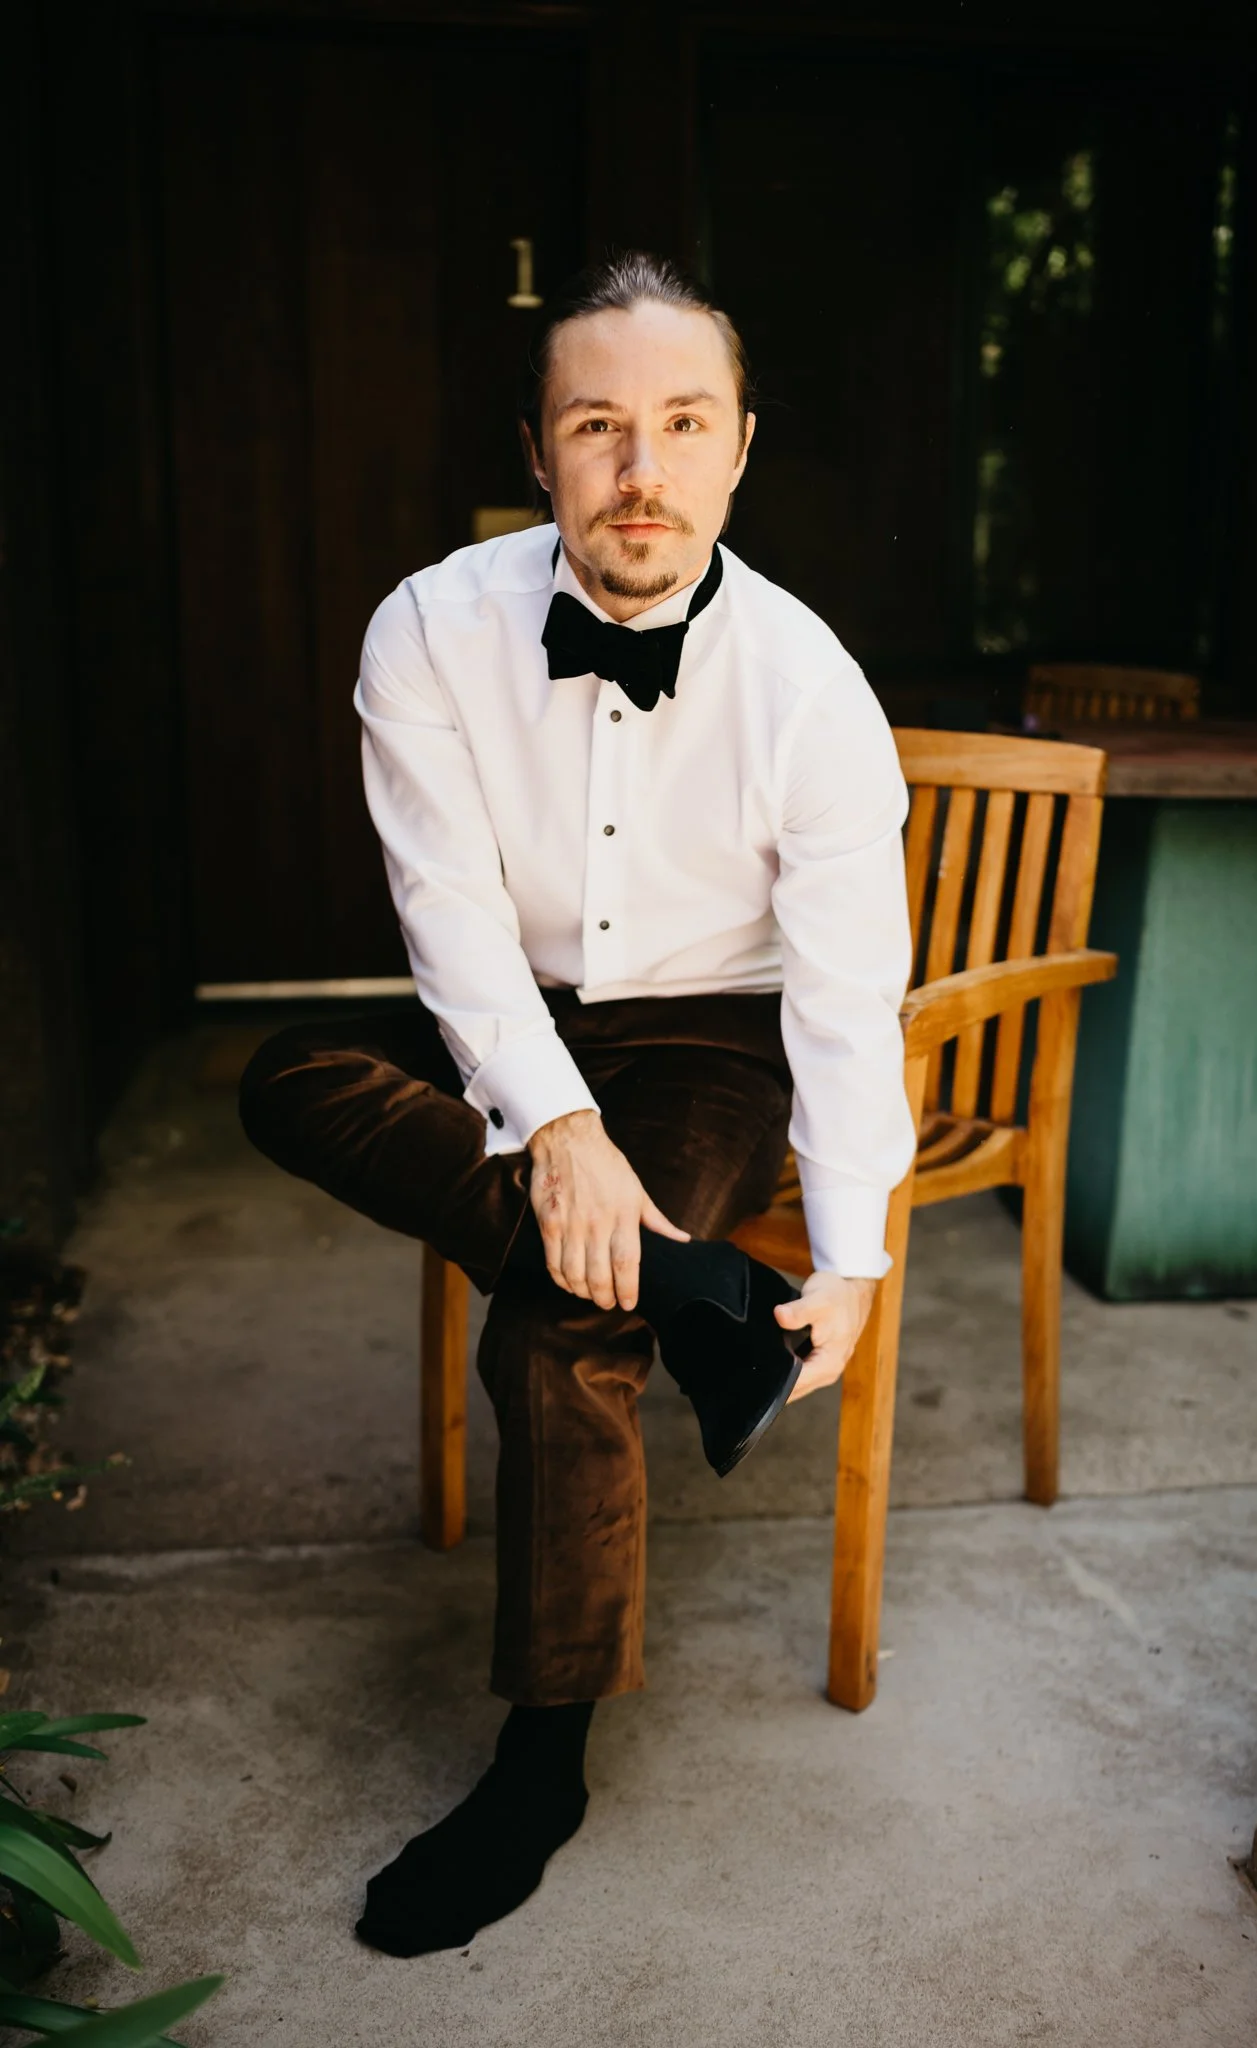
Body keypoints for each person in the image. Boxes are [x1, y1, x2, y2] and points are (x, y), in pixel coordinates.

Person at [238, 252, 914, 1958]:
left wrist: (848, 1261)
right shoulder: (428, 629)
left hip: (706, 1037)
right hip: (510, 1012)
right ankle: (700, 1296)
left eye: (682, 425)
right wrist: (552, 1127)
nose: (642, 469)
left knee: (560, 1322)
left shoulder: (810, 686)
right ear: (537, 452)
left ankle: (542, 1763)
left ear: (740, 447)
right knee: (285, 1076)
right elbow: (447, 919)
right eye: (599, 426)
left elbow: (841, 999)